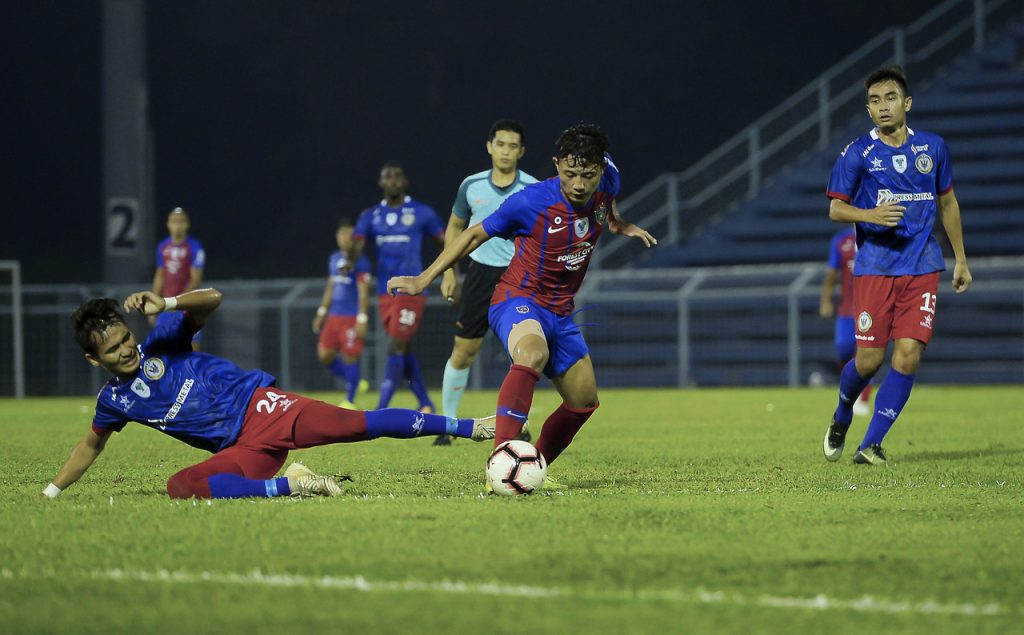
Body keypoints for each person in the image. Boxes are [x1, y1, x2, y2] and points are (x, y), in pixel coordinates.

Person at [39, 288, 495, 501]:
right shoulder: (113, 402)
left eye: (125, 338)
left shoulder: (162, 343)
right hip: (244, 449)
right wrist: (51, 492)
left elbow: (213, 298)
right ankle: (293, 485)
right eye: (112, 350)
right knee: (181, 486)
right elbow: (90, 446)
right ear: (94, 360)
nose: (125, 350)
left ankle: (471, 427)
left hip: (263, 409)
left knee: (359, 425)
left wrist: (170, 302)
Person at [387, 123, 656, 475]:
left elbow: (606, 208)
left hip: (560, 312)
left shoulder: (608, 181)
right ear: (557, 164)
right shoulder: (531, 201)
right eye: (570, 174)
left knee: (583, 401)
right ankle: (500, 466)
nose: (578, 184)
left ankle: (530, 469)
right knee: (532, 353)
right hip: (517, 297)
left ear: (601, 170)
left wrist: (619, 224)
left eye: (588, 176)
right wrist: (425, 278)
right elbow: (473, 235)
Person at [822, 66, 972, 466]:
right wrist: (870, 215)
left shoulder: (933, 148)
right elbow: (835, 208)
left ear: (907, 103)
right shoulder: (857, 153)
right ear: (868, 110)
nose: (882, 106)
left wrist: (960, 259)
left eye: (889, 98)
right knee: (869, 362)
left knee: (907, 356)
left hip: (922, 267)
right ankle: (842, 413)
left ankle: (870, 444)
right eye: (874, 101)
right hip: (875, 267)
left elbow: (948, 203)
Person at [434, 119, 538, 445]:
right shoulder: (472, 185)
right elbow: (455, 227)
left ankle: (519, 424)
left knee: (524, 353)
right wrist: (449, 272)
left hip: (519, 277)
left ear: (521, 151)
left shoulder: (533, 189)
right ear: (489, 146)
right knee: (463, 351)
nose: (506, 151)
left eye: (512, 146)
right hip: (480, 275)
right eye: (500, 144)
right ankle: (448, 425)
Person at [351, 162, 445, 412]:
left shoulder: (422, 212)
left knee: (395, 345)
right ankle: (425, 402)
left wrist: (449, 275)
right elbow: (356, 247)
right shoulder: (370, 215)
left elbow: (447, 243)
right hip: (385, 292)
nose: (392, 181)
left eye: (397, 176)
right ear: (381, 182)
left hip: (411, 290)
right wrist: (350, 256)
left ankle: (380, 409)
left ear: (404, 182)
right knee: (404, 348)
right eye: (388, 177)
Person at [313, 219, 371, 408]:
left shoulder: (361, 262)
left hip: (351, 316)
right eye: (341, 235)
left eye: (348, 235)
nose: (344, 239)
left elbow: (363, 292)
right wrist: (322, 312)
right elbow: (331, 287)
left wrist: (362, 317)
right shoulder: (334, 258)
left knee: (350, 356)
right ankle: (354, 381)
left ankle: (350, 400)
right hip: (334, 316)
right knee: (324, 355)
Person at [818, 225, 872, 416]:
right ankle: (851, 391)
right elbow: (832, 273)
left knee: (867, 354)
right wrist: (826, 300)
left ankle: (863, 399)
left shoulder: (878, 236)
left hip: (870, 308)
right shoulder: (841, 241)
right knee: (843, 349)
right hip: (847, 309)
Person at [152, 207, 206, 350]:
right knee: (163, 349)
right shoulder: (162, 246)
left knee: (192, 349)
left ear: (187, 224)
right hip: (167, 308)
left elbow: (195, 279)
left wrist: (179, 302)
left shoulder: (194, 247)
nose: (178, 225)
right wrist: (154, 304)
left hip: (188, 307)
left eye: (181, 221)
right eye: (174, 221)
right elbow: (160, 275)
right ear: (168, 224)